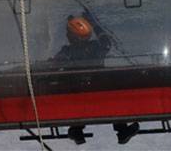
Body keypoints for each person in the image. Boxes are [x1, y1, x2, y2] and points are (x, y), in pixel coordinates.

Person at [52, 14, 140, 144]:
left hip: (78, 90)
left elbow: (55, 63)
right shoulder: (95, 47)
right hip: (99, 87)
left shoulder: (67, 51)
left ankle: (76, 130)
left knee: (78, 103)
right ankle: (121, 129)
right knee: (113, 102)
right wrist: (95, 25)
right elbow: (106, 43)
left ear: (70, 37)